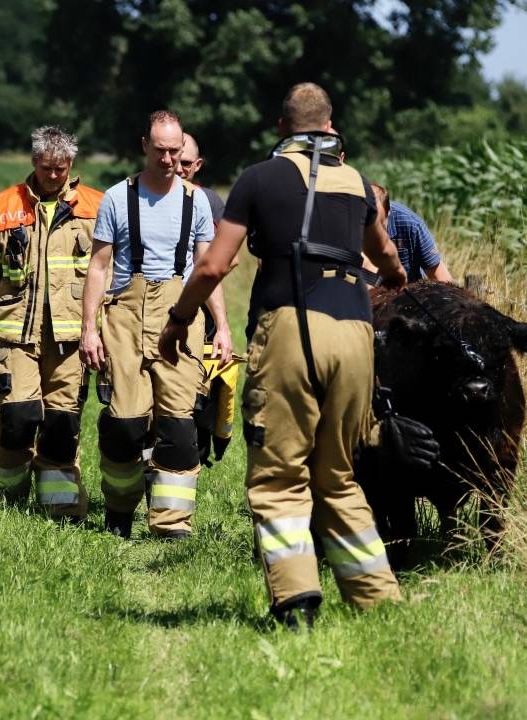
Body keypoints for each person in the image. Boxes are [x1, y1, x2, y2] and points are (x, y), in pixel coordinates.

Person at [158, 83, 407, 629]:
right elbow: (386, 253)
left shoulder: (258, 179)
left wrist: (179, 319)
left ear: (281, 127)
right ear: (331, 127)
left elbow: (213, 266)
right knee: (339, 475)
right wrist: (395, 278)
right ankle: (378, 602)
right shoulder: (357, 183)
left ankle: (296, 603)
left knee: (279, 475)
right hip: (356, 333)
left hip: (292, 328)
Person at [80, 110, 233, 540]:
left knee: (179, 428)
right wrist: (89, 328)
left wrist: (222, 327)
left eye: (175, 151)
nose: (168, 160)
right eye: (161, 150)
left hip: (180, 317)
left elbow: (207, 270)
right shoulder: (116, 198)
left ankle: (171, 524)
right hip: (125, 317)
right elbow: (98, 267)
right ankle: (119, 510)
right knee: (125, 424)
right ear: (145, 146)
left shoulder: (196, 201)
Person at [0, 125, 103, 521]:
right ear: (34, 161)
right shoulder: (4, 208)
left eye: (61, 168)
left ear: (71, 163)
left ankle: (61, 510)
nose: (54, 175)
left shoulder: (96, 207)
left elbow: (110, 277)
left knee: (62, 425)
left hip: (70, 339)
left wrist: (106, 336)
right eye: (47, 167)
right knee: (17, 420)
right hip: (16, 335)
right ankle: (4, 503)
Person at [177, 132, 239, 467]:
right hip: (157, 310)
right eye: (174, 160)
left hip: (204, 319)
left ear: (198, 165)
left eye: (186, 163)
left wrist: (199, 276)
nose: (178, 168)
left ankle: (194, 460)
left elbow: (230, 259)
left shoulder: (210, 202)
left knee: (201, 400)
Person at [364, 183, 453, 283]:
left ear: (388, 212)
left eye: (378, 224)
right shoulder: (351, 226)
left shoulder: (412, 225)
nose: (374, 231)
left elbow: (441, 278)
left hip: (409, 288)